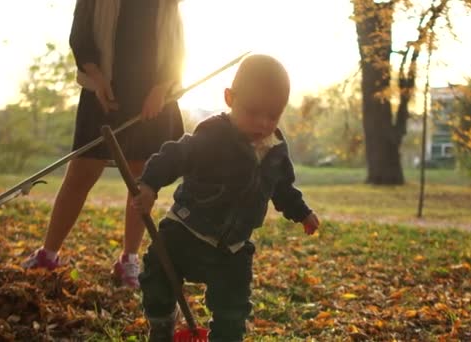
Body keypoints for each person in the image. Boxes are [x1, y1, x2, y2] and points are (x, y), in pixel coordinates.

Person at [133, 54, 321, 341]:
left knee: (233, 308)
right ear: (230, 98)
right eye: (253, 111)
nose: (262, 122)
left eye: (272, 115)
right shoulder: (212, 136)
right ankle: (161, 325)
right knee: (158, 277)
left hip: (232, 249)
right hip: (184, 232)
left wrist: (303, 212)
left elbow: (283, 189)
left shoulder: (276, 151)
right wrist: (148, 185)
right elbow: (174, 155)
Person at [21, 0, 186, 289]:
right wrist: (97, 79)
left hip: (151, 97)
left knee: (140, 180)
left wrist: (161, 88)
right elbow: (80, 36)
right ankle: (48, 254)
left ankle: (129, 260)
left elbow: (176, 48)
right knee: (80, 173)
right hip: (103, 91)